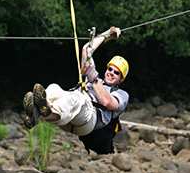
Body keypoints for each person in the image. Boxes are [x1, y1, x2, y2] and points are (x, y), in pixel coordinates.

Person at [23, 26, 129, 154]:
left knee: (77, 98)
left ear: (121, 79)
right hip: (69, 117)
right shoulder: (95, 78)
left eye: (116, 72)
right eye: (110, 69)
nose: (111, 73)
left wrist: (92, 77)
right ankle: (36, 114)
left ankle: (48, 112)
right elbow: (86, 50)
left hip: (90, 119)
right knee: (53, 88)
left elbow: (107, 102)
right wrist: (107, 34)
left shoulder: (121, 94)